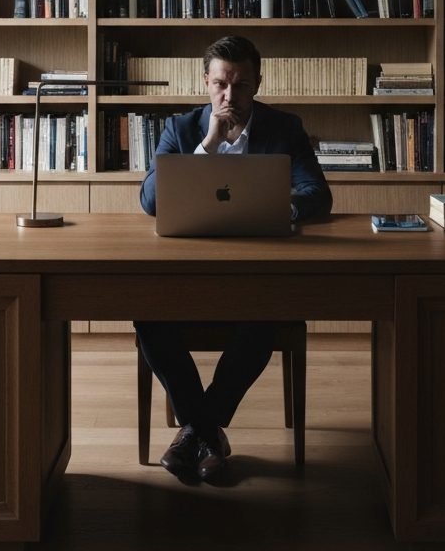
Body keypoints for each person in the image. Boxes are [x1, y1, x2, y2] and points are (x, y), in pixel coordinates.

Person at [135, 35, 332, 481]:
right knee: (147, 315)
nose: (229, 96)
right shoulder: (181, 129)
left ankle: (194, 433)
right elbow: (149, 200)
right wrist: (207, 143)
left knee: (264, 314)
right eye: (221, 83)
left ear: (257, 85)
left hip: (258, 268)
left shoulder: (284, 129)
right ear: (206, 82)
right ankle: (209, 434)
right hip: (187, 270)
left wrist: (288, 207)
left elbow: (318, 192)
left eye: (241, 85)